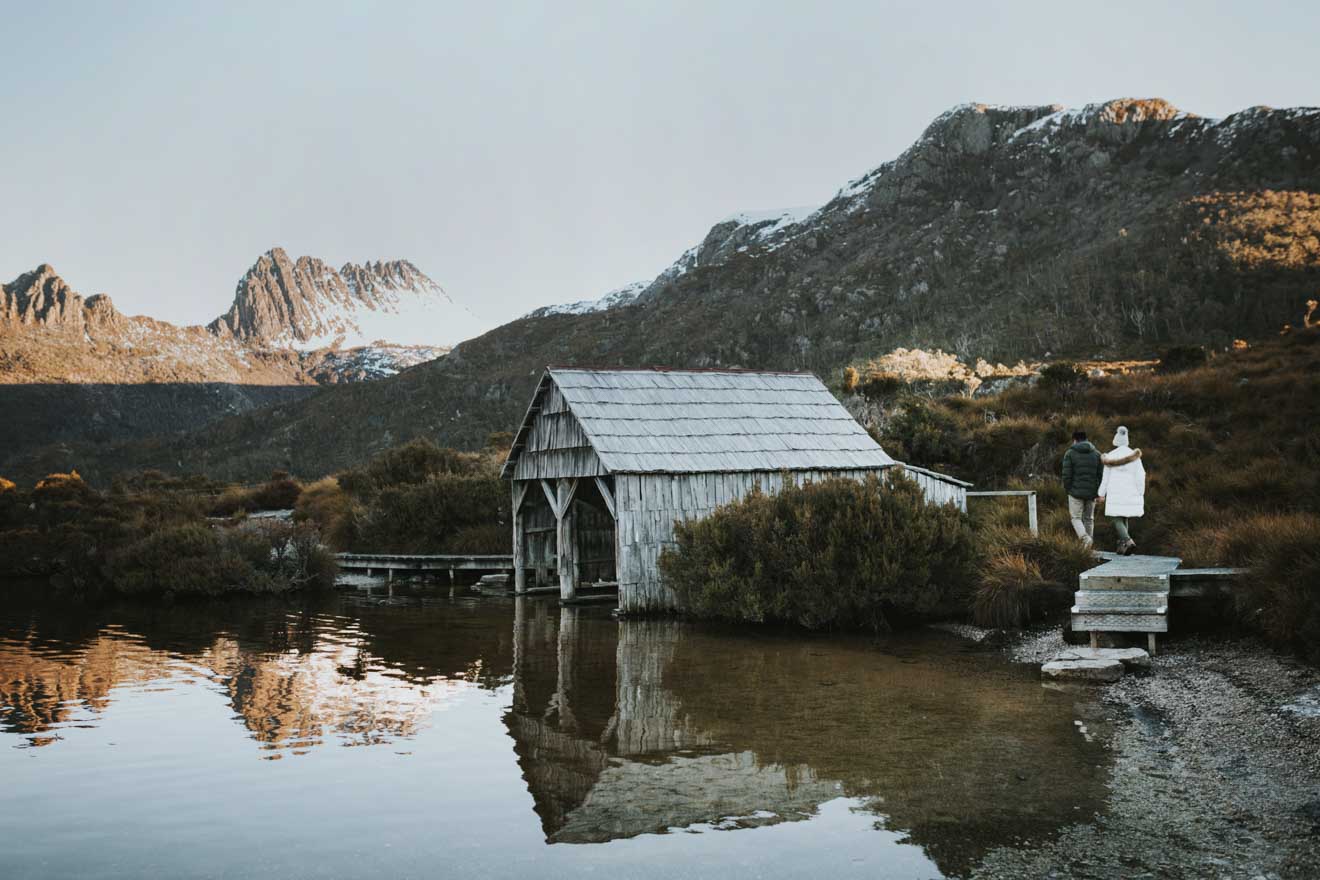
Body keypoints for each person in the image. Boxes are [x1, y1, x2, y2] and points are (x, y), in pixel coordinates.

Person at [1098, 426, 1145, 555]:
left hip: (1115, 493)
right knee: (1124, 517)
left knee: (1116, 518)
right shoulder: (1135, 457)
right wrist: (1141, 491)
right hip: (1131, 492)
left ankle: (1128, 541)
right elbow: (1141, 475)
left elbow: (1105, 478)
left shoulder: (1110, 457)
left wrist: (1101, 494)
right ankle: (1122, 547)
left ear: (1116, 440)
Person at [1061, 430, 1103, 547]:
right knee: (1089, 519)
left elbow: (1066, 475)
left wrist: (1068, 489)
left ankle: (1085, 539)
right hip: (1092, 492)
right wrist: (1099, 492)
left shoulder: (1070, 453)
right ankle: (1089, 545)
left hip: (1075, 492)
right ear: (1086, 439)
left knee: (1075, 518)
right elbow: (1101, 475)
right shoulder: (1097, 454)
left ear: (1074, 440)